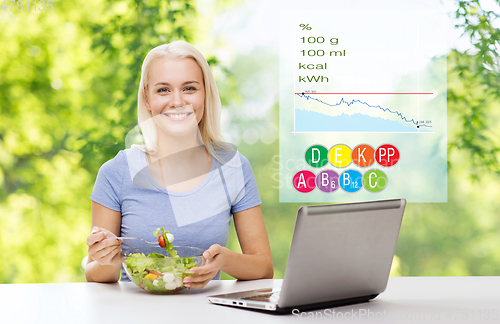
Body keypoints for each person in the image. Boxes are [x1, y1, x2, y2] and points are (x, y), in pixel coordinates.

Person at [85, 41, 273, 288]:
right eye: (163, 90)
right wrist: (104, 257)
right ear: (147, 99)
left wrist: (226, 260)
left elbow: (263, 267)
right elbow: (97, 275)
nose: (177, 101)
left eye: (189, 88)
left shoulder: (233, 168)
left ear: (205, 94)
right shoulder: (116, 172)